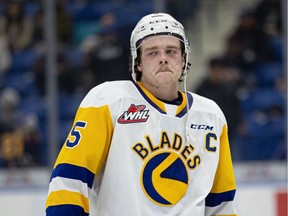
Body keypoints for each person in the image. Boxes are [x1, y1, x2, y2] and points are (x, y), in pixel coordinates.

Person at [46, 13, 238, 215]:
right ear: (137, 62)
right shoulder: (110, 101)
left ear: (184, 59)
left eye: (171, 51)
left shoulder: (210, 115)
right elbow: (70, 178)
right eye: (152, 52)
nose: (163, 58)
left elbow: (221, 204)